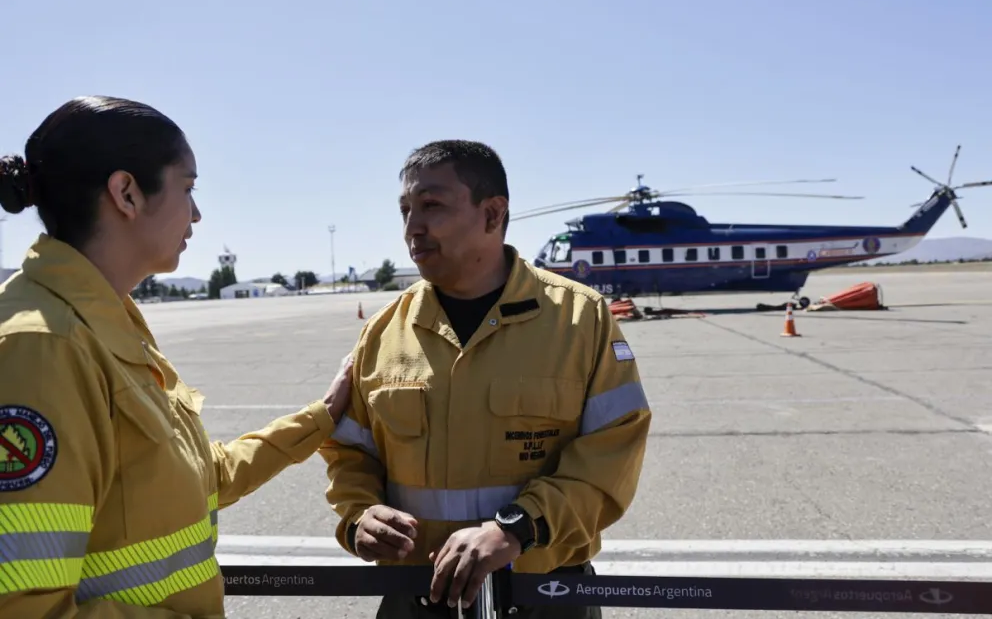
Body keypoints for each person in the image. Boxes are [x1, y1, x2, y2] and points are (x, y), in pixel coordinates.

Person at [0, 96, 354, 618]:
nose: (196, 212)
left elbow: (197, 475)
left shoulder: (106, 320)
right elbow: (25, 610)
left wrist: (319, 418)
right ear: (126, 194)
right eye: (187, 188)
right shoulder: (42, 348)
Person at [319, 140, 652, 618]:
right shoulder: (383, 332)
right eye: (405, 210)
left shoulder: (581, 321)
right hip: (417, 598)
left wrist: (517, 528)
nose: (413, 228)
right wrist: (359, 515)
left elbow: (612, 454)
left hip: (544, 597)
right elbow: (350, 452)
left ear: (493, 214)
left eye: (431, 206)